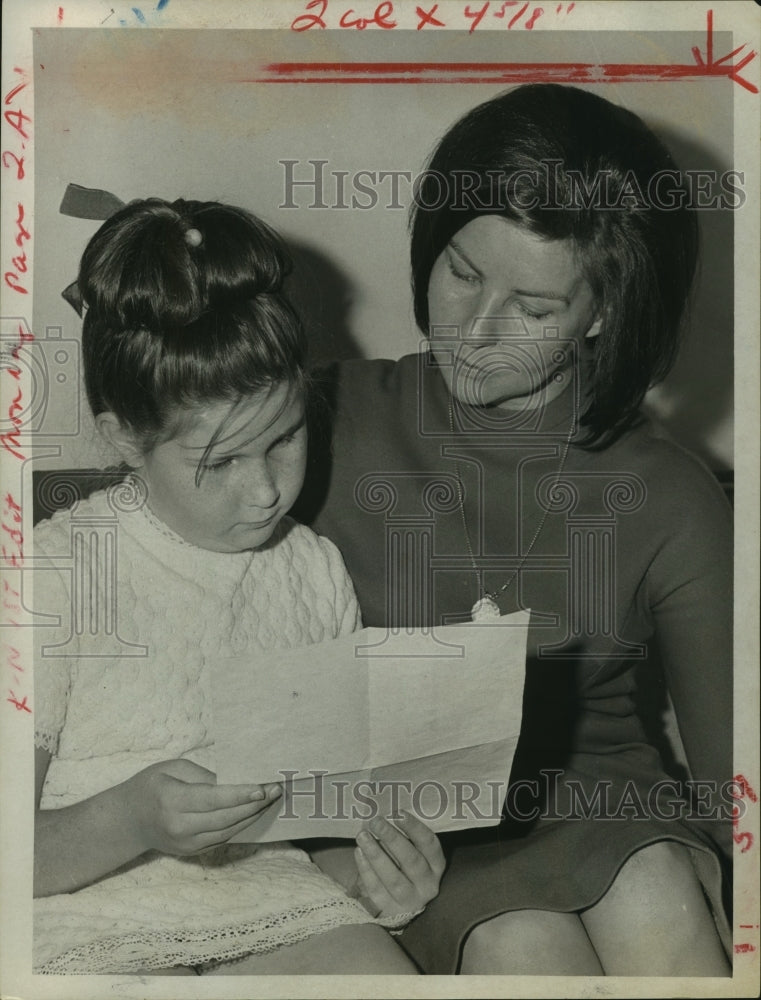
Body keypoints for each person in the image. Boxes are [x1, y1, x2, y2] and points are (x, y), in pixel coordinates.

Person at [296, 83, 733, 975]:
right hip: (407, 830)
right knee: (521, 944)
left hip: (606, 806)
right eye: (460, 272)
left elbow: (738, 784)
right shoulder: (316, 422)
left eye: (533, 310)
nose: (475, 333)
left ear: (601, 315)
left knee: (653, 887)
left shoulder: (673, 495)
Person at [33, 198, 444, 975]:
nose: (265, 492)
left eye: (286, 437)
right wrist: (131, 819)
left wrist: (379, 871)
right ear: (124, 436)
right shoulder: (55, 574)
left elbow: (312, 828)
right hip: (70, 917)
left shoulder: (311, 569)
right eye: (220, 463)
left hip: (271, 898)